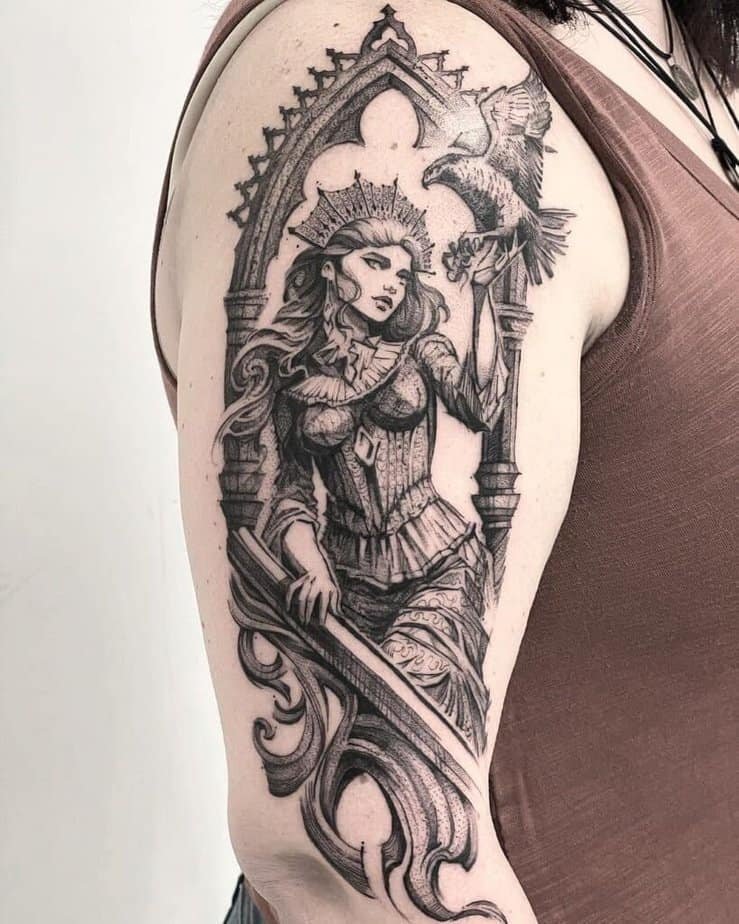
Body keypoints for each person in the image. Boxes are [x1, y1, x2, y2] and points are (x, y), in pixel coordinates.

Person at [151, 1, 738, 922]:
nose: (391, 281)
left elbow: (477, 404)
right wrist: (304, 554)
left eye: (400, 266)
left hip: (436, 556)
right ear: (330, 266)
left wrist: (481, 308)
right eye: (373, 264)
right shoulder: (426, 56)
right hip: (373, 589)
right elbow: (333, 865)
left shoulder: (679, 35)